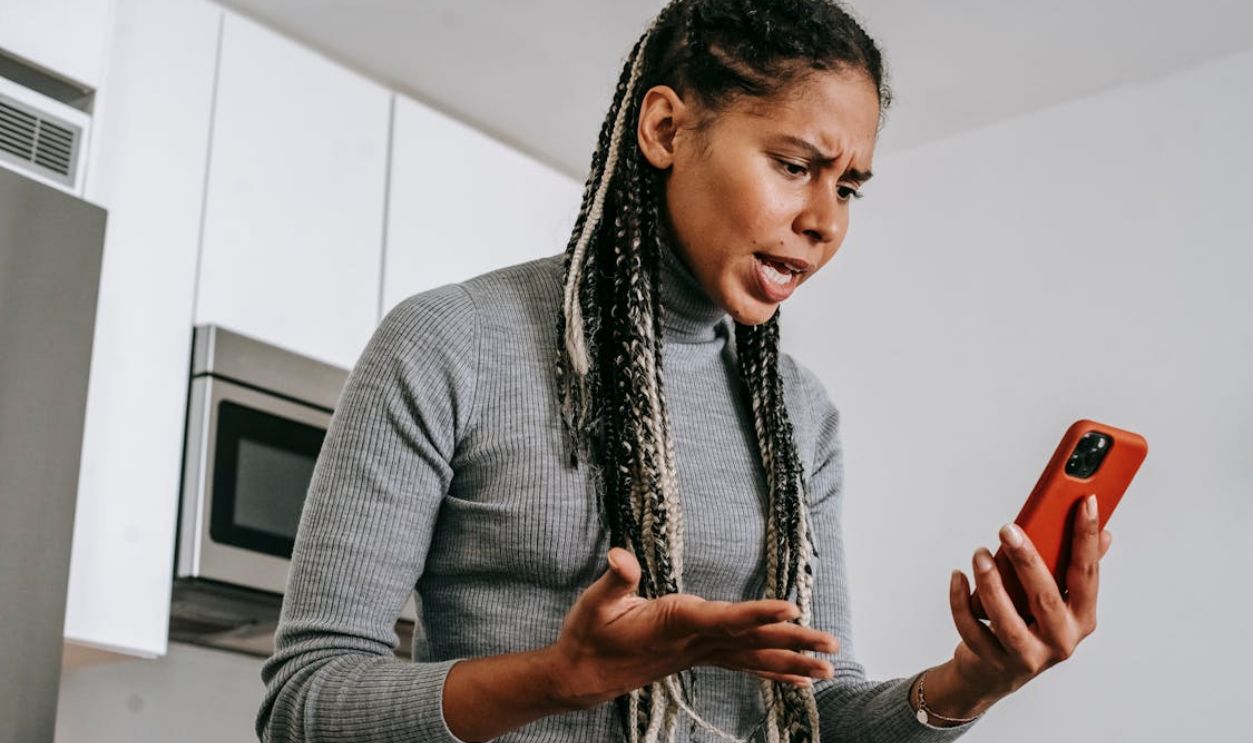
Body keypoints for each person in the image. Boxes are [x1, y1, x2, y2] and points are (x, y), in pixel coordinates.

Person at [255, 1, 1114, 741]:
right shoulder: (450, 343)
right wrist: (562, 674)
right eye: (793, 166)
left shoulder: (797, 417)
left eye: (847, 187)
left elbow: (818, 711)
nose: (823, 221)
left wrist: (968, 683)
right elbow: (306, 700)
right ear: (665, 129)